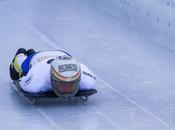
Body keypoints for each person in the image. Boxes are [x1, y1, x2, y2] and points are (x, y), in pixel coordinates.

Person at [9, 48, 96, 97]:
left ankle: (31, 51)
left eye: (71, 85)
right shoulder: (35, 83)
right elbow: (21, 81)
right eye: (63, 85)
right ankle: (21, 53)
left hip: (62, 55)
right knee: (15, 72)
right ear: (52, 78)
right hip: (37, 60)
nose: (67, 90)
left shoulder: (88, 81)